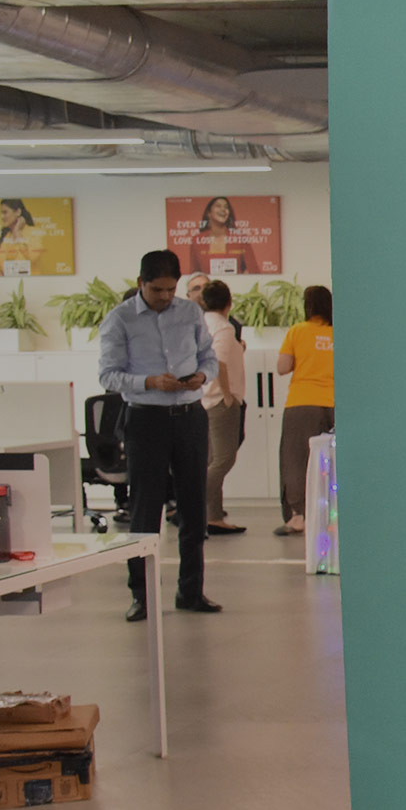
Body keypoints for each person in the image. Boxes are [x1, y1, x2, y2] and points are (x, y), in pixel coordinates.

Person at [97, 249, 221, 620]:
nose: (165, 297)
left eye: (170, 289)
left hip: (189, 416)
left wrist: (202, 375)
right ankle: (142, 595)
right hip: (145, 419)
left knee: (193, 508)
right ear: (141, 283)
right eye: (157, 290)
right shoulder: (119, 319)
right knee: (145, 509)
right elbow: (108, 375)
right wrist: (149, 381)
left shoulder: (190, 313)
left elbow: (209, 357)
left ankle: (191, 592)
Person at [275, 285, 335, 535]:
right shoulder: (339, 332)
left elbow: (282, 367)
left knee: (296, 460)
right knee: (334, 461)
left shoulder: (298, 331)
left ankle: (299, 516)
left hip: (302, 403)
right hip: (335, 403)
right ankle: (334, 514)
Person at [199, 279, 247, 535]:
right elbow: (219, 362)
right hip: (220, 399)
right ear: (229, 302)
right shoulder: (224, 328)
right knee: (223, 459)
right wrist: (227, 395)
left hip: (204, 398)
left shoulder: (201, 324)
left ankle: (212, 515)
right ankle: (198, 510)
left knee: (211, 460)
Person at [187, 195, 248, 275]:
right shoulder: (197, 240)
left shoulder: (240, 238)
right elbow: (194, 272)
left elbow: (252, 269)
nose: (223, 209)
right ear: (209, 213)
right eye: (218, 206)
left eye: (226, 207)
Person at [0, 198, 44, 273]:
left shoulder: (34, 232)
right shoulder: (2, 236)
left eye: (5, 212)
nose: (2, 217)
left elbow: (32, 257)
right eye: (1, 213)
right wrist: (1, 277)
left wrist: (17, 232)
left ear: (18, 212)